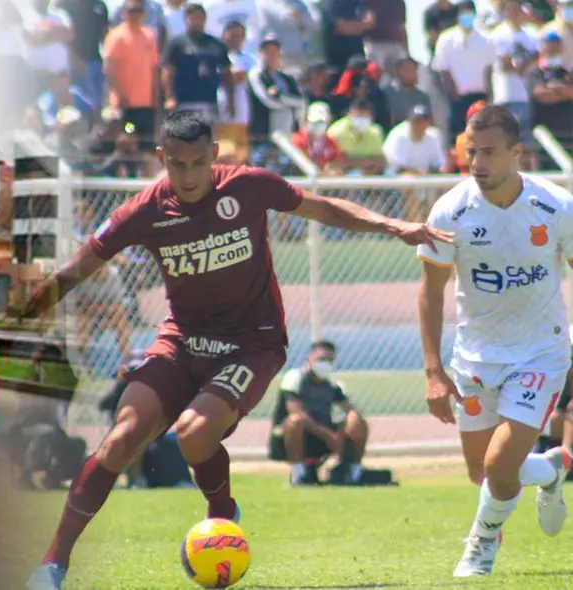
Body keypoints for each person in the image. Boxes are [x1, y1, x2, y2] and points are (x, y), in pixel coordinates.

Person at [22, 109, 451, 590]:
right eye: (176, 164)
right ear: (162, 157)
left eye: (197, 163)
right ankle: (53, 564)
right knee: (120, 438)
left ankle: (221, 512)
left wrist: (392, 225)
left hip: (252, 345)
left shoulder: (248, 187)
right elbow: (89, 258)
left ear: (215, 155)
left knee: (193, 434)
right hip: (182, 341)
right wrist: (46, 291)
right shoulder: (145, 209)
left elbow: (323, 207)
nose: (187, 175)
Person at [417, 105, 573, 578]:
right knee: (482, 474)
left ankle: (480, 547)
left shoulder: (557, 206)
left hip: (540, 353)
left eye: (488, 152)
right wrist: (433, 370)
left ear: (516, 153)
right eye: (470, 152)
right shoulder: (451, 209)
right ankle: (550, 469)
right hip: (474, 357)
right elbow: (430, 291)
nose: (477, 163)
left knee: (500, 468)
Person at [268, 340, 369, 486]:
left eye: (329, 360)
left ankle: (352, 471)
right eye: (321, 359)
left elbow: (350, 408)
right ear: (309, 359)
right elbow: (296, 411)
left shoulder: (332, 384)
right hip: (292, 437)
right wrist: (328, 435)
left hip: (324, 437)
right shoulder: (295, 378)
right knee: (296, 420)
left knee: (355, 418)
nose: (325, 364)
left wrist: (345, 431)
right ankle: (299, 474)